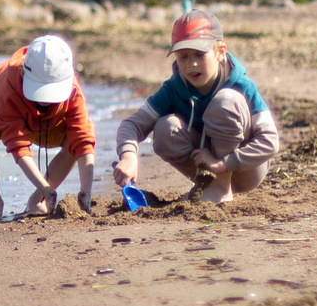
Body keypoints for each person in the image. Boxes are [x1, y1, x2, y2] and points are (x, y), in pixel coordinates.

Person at [113, 11, 284, 205]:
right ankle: (207, 185)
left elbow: (270, 141)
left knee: (226, 101)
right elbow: (131, 125)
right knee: (165, 127)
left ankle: (221, 189)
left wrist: (224, 164)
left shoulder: (242, 85)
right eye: (183, 56)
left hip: (246, 170)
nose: (191, 64)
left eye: (199, 54)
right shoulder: (173, 88)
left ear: (220, 52)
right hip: (205, 166)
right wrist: (128, 157)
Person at [0, 34, 96, 221]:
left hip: (47, 120)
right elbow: (18, 145)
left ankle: (37, 200)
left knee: (75, 139)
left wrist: (86, 190)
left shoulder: (72, 90)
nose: (44, 99)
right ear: (23, 74)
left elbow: (83, 140)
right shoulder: (7, 88)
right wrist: (45, 186)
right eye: (40, 91)